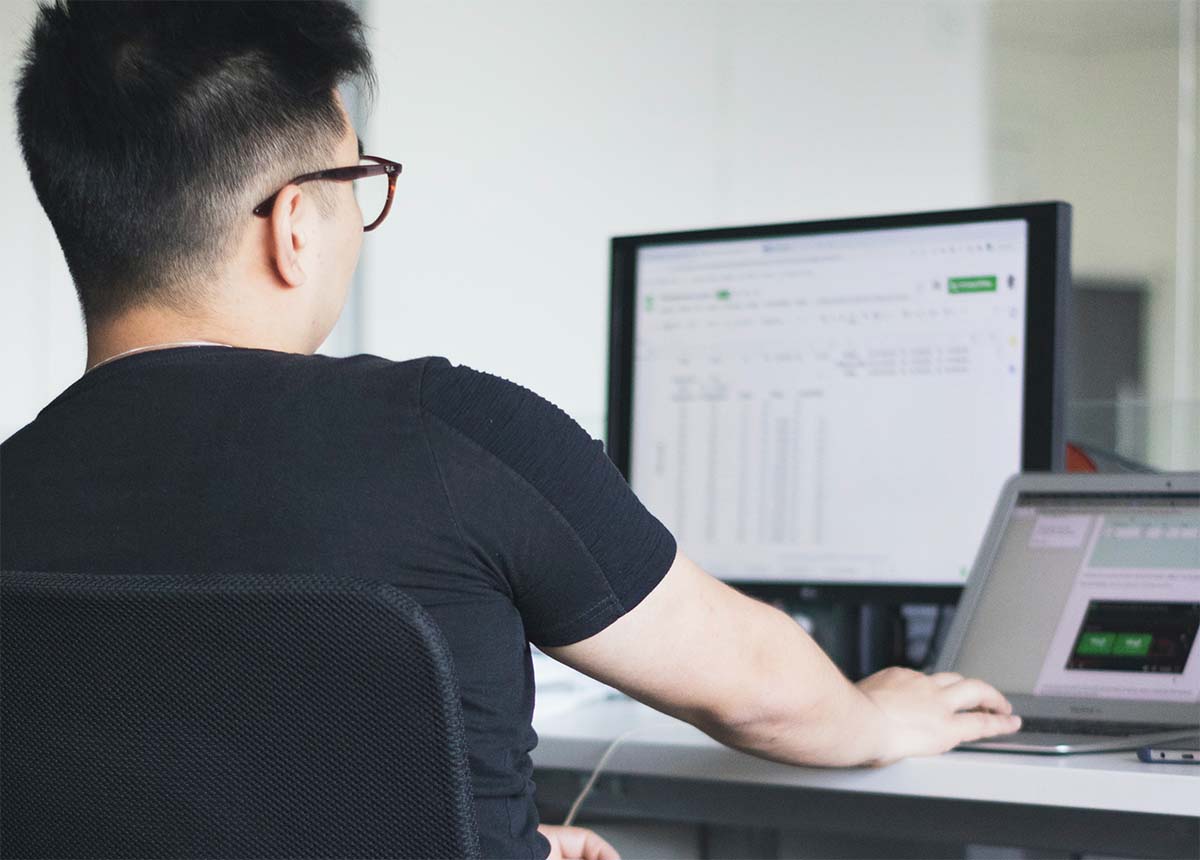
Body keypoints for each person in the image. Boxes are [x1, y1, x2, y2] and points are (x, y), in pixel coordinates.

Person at [0, 3, 1021, 859]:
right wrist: (880, 712)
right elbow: (758, 688)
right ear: (294, 224)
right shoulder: (451, 436)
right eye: (360, 184)